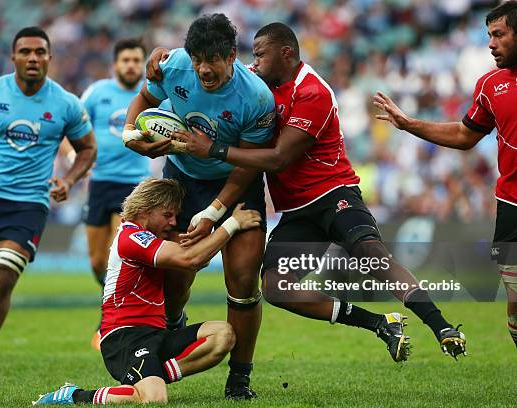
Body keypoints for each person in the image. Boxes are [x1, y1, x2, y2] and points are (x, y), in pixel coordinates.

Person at [165, 22, 466, 359]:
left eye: (261, 55)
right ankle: (381, 323)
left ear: (286, 53)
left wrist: (213, 150)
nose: (256, 62)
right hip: (296, 210)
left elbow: (279, 159)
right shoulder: (260, 82)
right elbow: (227, 75)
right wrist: (160, 63)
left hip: (333, 194)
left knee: (371, 254)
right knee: (277, 288)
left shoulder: (313, 92)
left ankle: (441, 326)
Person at [122, 14, 275, 399]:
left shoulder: (256, 96)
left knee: (242, 278)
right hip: (182, 180)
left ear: (232, 56)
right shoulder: (172, 65)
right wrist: (130, 134)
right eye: (197, 59)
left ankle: (239, 378)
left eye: (213, 59)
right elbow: (145, 99)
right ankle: (172, 329)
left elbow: (247, 162)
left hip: (235, 184)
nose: (204, 68)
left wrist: (213, 213)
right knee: (175, 277)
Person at [33, 178, 262, 405]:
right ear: (145, 210)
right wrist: (231, 224)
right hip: (124, 338)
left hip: (155, 334)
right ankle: (73, 395)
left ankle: (151, 376)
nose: (173, 222)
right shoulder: (131, 236)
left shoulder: (147, 238)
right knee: (154, 400)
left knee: (223, 334)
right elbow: (191, 258)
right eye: (167, 214)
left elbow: (194, 258)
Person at [0, 26, 96, 378]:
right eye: (26, 52)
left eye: (40, 52)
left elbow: (87, 148)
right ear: (13, 56)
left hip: (28, 205)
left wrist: (70, 180)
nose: (33, 58)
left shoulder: (65, 103)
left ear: (49, 58)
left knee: (3, 274)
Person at [374, 1, 517, 348]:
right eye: (488, 36)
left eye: (498, 34)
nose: (491, 44)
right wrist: (409, 125)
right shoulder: (490, 85)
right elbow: (464, 136)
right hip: (512, 205)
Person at [63, 38, 150, 350]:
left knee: (118, 254)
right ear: (115, 64)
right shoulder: (97, 93)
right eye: (125, 59)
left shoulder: (151, 95)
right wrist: (76, 159)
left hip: (134, 186)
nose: (131, 65)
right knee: (98, 261)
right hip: (99, 183)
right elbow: (72, 128)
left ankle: (110, 321)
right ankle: (115, 301)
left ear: (142, 64)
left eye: (136, 60)